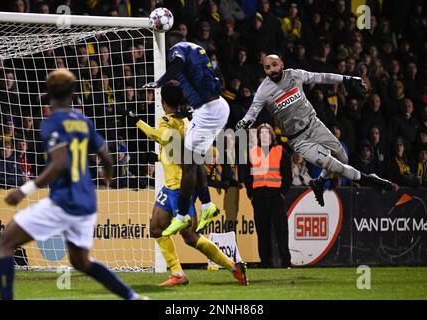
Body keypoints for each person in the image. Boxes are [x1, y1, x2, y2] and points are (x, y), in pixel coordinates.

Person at [0, 69, 147, 300]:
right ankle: (132, 297)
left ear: (48, 93)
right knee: (81, 261)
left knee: (4, 243)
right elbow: (106, 156)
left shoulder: (51, 123)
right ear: (74, 93)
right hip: (87, 202)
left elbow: (60, 162)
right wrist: (107, 175)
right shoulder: (83, 121)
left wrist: (24, 190)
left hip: (64, 201)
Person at [236, 54, 394, 207]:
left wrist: (347, 78)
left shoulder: (295, 75)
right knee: (335, 165)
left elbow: (321, 77)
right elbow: (252, 112)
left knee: (343, 157)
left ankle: (319, 182)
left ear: (282, 64)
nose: (272, 70)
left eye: (274, 65)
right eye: (267, 67)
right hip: (298, 139)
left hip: (313, 124)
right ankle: (368, 179)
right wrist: (244, 121)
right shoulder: (263, 90)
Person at [130, 82, 248, 286]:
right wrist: (158, 157)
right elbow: (203, 152)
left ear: (163, 102)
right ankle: (177, 273)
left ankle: (232, 266)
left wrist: (137, 122)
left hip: (178, 186)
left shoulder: (167, 121)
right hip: (173, 185)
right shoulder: (191, 120)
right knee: (156, 228)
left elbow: (164, 138)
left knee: (190, 236)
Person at [143, 31, 230, 236]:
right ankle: (207, 205)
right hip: (214, 106)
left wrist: (160, 81)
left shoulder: (178, 50)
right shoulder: (196, 49)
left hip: (209, 111)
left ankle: (182, 216)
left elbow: (177, 65)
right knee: (194, 160)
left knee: (188, 165)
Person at [245, 123, 292, 268]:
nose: (264, 136)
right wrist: (251, 194)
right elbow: (247, 176)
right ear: (258, 136)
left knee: (281, 230)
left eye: (267, 133)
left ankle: (285, 261)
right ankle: (265, 262)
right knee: (262, 231)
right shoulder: (253, 152)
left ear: (272, 135)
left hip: (276, 196)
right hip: (259, 197)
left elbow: (287, 176)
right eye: (261, 133)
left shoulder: (280, 151)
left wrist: (282, 194)